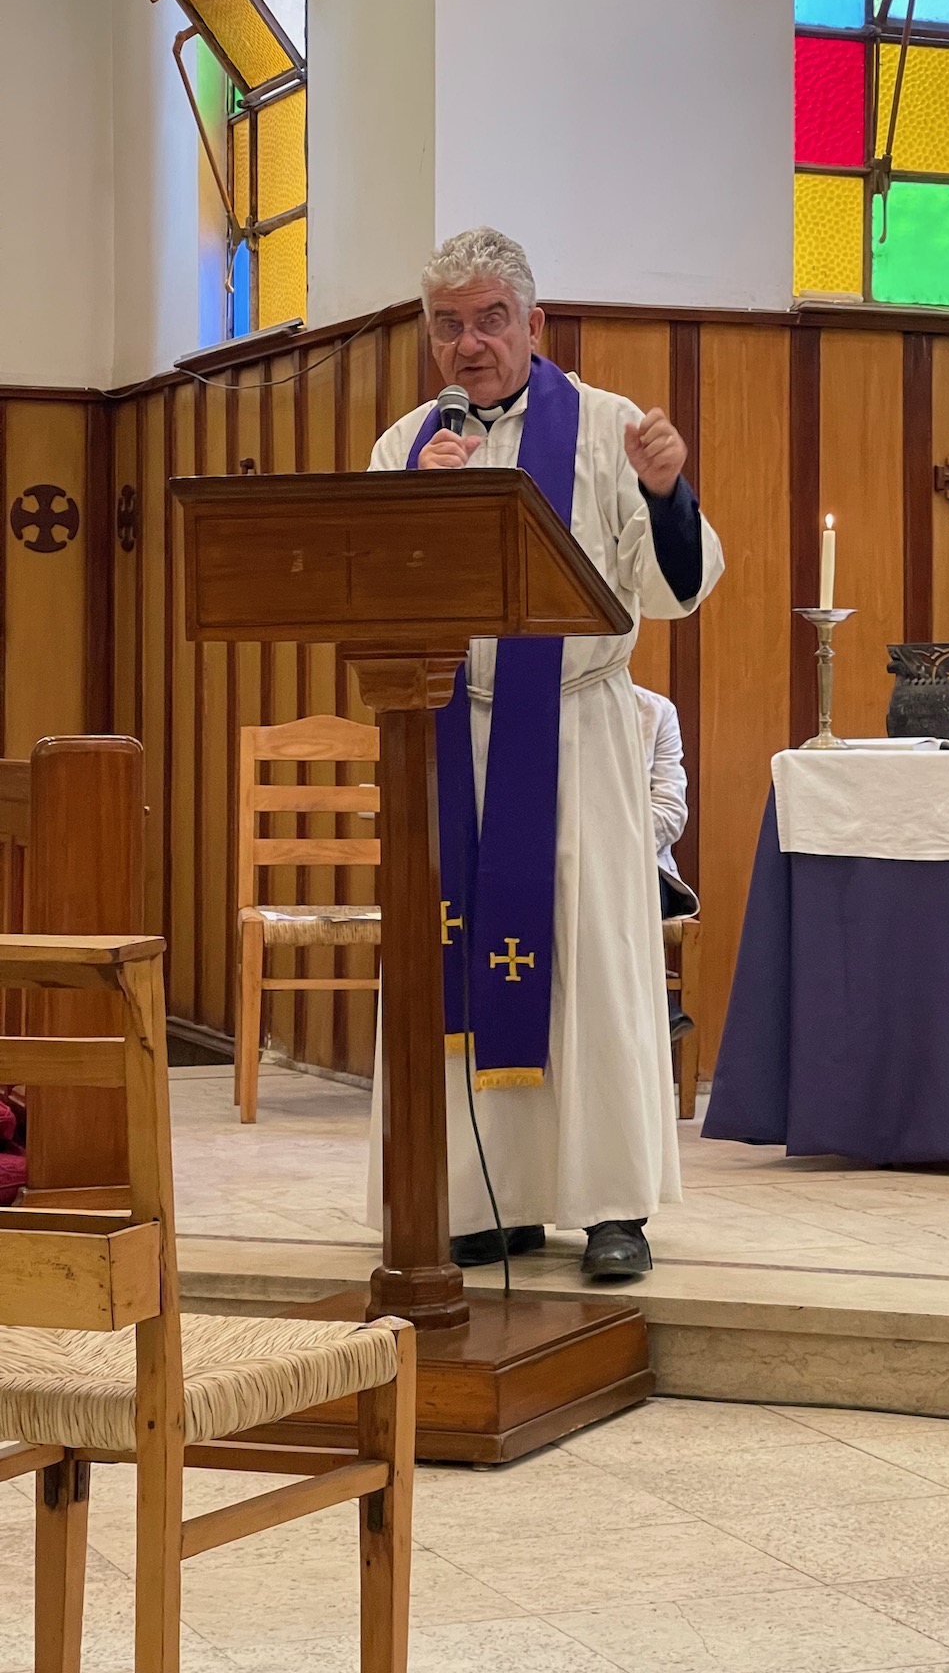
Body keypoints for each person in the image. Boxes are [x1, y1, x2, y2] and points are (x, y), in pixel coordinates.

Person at [365, 228, 723, 1282]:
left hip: (576, 724)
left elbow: (674, 591)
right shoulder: (404, 445)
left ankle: (613, 1204)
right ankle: (483, 1200)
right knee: (457, 951)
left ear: (534, 322)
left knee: (595, 957)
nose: (468, 343)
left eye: (488, 318)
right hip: (447, 728)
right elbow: (373, 587)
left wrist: (666, 494)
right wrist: (410, 514)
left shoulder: (607, 428)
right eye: (448, 324)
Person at [634, 684, 697, 1042]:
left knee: (619, 882)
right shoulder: (539, 710)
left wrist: (609, 843)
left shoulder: (654, 711)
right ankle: (655, 1003)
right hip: (561, 864)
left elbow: (671, 814)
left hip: (642, 868)